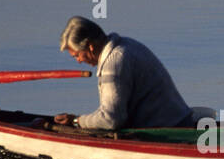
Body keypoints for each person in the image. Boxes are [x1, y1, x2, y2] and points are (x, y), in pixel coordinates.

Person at [53, 17, 195, 130]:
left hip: (168, 130)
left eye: (77, 55)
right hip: (179, 120)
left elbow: (111, 119)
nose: (78, 61)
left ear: (90, 47)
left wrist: (77, 121)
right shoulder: (126, 44)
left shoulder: (113, 63)